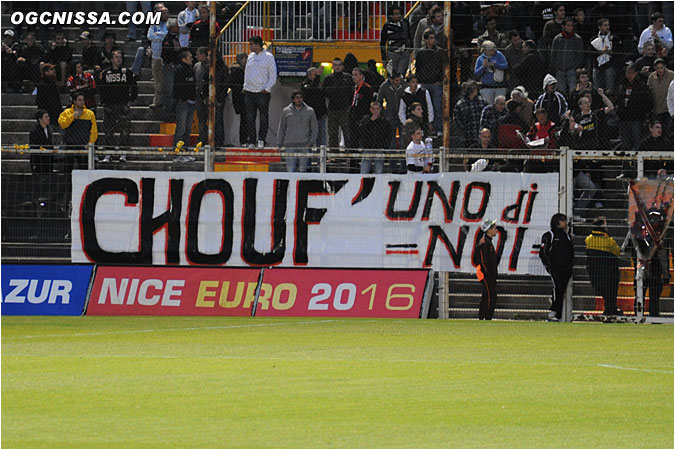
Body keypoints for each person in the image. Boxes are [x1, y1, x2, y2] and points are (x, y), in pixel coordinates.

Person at [99, 50, 138, 162]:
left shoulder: (127, 72)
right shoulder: (106, 73)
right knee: (109, 131)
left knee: (125, 131)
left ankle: (123, 154)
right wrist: (104, 102)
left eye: (120, 57)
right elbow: (102, 89)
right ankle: (108, 154)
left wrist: (131, 100)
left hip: (123, 105)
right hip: (109, 106)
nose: (118, 59)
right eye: (116, 57)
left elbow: (134, 86)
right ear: (111, 59)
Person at [243, 35, 277, 148]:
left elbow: (273, 74)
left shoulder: (268, 57)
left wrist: (267, 89)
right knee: (249, 117)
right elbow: (247, 72)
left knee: (263, 117)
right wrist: (245, 86)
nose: (250, 47)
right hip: (249, 91)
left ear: (258, 45)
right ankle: (251, 140)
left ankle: (261, 139)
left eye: (251, 44)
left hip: (262, 92)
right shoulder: (250, 56)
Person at [539, 213, 574, 322]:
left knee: (561, 290)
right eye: (563, 220)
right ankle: (552, 312)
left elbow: (571, 252)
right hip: (555, 268)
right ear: (557, 222)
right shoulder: (549, 235)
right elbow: (543, 252)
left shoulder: (567, 236)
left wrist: (569, 266)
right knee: (558, 288)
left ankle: (558, 316)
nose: (565, 223)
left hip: (566, 269)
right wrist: (549, 266)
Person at [585, 216, 621, 317]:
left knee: (604, 291)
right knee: (611, 291)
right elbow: (617, 252)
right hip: (609, 273)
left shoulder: (588, 240)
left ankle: (610, 308)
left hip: (595, 273)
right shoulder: (609, 241)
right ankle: (611, 309)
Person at [277, 90, 318, 173]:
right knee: (291, 171)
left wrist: (310, 143)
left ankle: (302, 186)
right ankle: (291, 186)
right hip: (290, 146)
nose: (299, 99)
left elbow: (314, 129)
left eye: (301, 97)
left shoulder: (310, 111)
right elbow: (282, 128)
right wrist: (279, 144)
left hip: (304, 145)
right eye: (297, 97)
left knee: (303, 172)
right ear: (293, 99)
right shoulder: (286, 111)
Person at [616, 63, 653, 151]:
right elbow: (619, 100)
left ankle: (638, 164)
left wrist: (641, 114)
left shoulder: (642, 86)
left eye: (631, 73)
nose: (629, 75)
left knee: (638, 143)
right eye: (627, 73)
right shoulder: (622, 85)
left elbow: (649, 103)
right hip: (624, 119)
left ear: (636, 73)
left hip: (637, 119)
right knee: (625, 144)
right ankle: (626, 164)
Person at [415, 29, 444, 133]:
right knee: (423, 107)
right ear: (425, 40)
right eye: (431, 38)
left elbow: (442, 67)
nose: (433, 40)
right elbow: (418, 67)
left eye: (434, 38)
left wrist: (440, 80)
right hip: (424, 83)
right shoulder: (421, 52)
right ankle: (423, 129)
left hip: (435, 83)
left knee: (437, 107)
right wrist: (419, 80)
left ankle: (439, 129)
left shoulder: (439, 51)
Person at [322, 57, 353, 150]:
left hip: (345, 109)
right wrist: (334, 89)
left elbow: (352, 92)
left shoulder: (348, 78)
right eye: (335, 65)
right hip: (333, 109)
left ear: (343, 66)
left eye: (339, 65)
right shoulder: (328, 78)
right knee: (332, 134)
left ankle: (349, 154)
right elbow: (325, 93)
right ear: (333, 67)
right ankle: (334, 155)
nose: (337, 67)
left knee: (348, 133)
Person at [549, 18, 584, 95]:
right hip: (559, 70)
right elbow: (553, 54)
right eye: (568, 25)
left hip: (572, 70)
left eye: (571, 25)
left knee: (573, 91)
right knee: (561, 91)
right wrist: (556, 66)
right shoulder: (557, 39)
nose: (570, 27)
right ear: (563, 26)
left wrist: (574, 67)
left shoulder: (577, 39)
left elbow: (580, 56)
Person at [474, 218, 499, 320]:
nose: (496, 230)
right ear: (489, 230)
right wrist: (488, 273)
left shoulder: (488, 242)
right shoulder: (484, 243)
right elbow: (483, 261)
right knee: (491, 297)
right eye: (494, 228)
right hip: (485, 274)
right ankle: (487, 318)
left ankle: (482, 317)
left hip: (488, 274)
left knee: (486, 296)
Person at [358, 101, 392, 174]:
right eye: (373, 109)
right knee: (364, 169)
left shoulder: (385, 120)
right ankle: (363, 184)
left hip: (379, 148)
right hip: (368, 147)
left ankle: (377, 184)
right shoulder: (366, 119)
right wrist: (371, 121)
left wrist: (384, 147)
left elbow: (389, 135)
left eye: (377, 109)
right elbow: (361, 130)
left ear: (380, 109)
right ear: (370, 110)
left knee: (378, 171)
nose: (376, 111)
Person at [172, 49, 196, 150]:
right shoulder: (179, 69)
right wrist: (182, 98)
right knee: (181, 128)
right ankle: (178, 150)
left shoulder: (191, 69)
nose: (192, 59)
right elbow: (178, 87)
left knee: (188, 128)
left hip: (191, 101)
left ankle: (185, 150)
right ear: (184, 59)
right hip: (183, 102)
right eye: (190, 57)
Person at [379, 4, 412, 77]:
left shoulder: (405, 22)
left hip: (404, 53)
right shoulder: (387, 26)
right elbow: (382, 43)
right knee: (392, 76)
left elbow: (410, 36)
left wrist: (410, 47)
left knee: (401, 76)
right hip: (392, 54)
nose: (399, 15)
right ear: (391, 15)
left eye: (399, 13)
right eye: (396, 14)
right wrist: (384, 59)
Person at [147, 4, 169, 109]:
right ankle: (158, 101)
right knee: (157, 80)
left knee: (167, 80)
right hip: (156, 56)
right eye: (163, 13)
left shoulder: (170, 24)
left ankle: (167, 102)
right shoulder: (154, 25)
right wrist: (161, 36)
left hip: (168, 57)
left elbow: (166, 35)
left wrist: (158, 36)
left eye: (166, 13)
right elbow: (150, 36)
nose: (165, 15)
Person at [473, 40, 509, 105]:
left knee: (500, 105)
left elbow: (506, 65)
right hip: (487, 87)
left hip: (500, 86)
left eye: (494, 49)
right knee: (488, 106)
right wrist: (483, 66)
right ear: (485, 50)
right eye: (491, 50)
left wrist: (495, 65)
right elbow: (476, 73)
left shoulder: (499, 55)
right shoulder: (481, 58)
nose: (494, 51)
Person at [453, 81, 488, 147]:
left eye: (475, 88)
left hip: (480, 133)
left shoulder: (482, 101)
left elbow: (487, 114)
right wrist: (463, 129)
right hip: (467, 134)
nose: (475, 90)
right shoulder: (461, 103)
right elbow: (456, 118)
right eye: (472, 88)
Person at [347, 67, 373, 154]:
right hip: (353, 117)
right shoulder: (352, 88)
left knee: (363, 140)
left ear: (361, 76)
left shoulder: (367, 88)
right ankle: (353, 162)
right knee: (353, 141)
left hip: (362, 117)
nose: (354, 77)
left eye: (356, 75)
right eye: (353, 75)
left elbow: (368, 103)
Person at [377, 70, 404, 149]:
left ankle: (402, 159)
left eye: (399, 80)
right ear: (391, 80)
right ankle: (392, 159)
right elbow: (379, 100)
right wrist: (384, 113)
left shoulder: (403, 84)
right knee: (391, 138)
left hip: (401, 113)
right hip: (390, 114)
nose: (398, 82)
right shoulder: (384, 86)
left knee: (403, 138)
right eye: (396, 80)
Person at [590, 18, 619, 93]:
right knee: (596, 89)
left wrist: (610, 52)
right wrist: (601, 52)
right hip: (597, 67)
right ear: (599, 27)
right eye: (605, 25)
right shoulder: (594, 39)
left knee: (609, 90)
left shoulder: (614, 38)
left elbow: (618, 53)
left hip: (609, 66)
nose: (607, 27)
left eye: (608, 25)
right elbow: (590, 53)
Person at [648, 59, 674, 137]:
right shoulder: (652, 77)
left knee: (667, 131)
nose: (660, 70)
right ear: (655, 68)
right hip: (656, 109)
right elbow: (648, 90)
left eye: (662, 67)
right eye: (658, 68)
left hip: (668, 110)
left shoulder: (671, 75)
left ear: (665, 67)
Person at [301, 67, 327, 147]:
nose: (316, 76)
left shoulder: (320, 84)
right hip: (309, 115)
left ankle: (322, 155)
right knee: (309, 136)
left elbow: (322, 97)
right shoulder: (305, 84)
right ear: (309, 75)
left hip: (320, 115)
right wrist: (318, 77)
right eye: (315, 74)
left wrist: (325, 111)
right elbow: (311, 91)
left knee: (321, 136)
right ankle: (308, 155)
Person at [229, 52, 248, 145]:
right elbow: (232, 84)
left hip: (245, 97)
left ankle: (245, 139)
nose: (245, 60)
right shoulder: (236, 70)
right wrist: (241, 89)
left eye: (246, 58)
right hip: (240, 98)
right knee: (244, 119)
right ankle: (243, 140)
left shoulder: (247, 70)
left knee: (246, 119)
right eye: (243, 58)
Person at [29, 110, 54, 176]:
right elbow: (34, 146)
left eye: (48, 116)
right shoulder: (34, 131)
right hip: (39, 159)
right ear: (40, 119)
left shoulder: (49, 129)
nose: (48, 118)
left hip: (48, 159)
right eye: (46, 117)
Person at [193, 47, 209, 144]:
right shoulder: (196, 66)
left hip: (207, 95)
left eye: (198, 54)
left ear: (203, 55)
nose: (196, 56)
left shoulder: (210, 65)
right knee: (201, 120)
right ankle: (202, 139)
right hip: (198, 96)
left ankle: (212, 139)